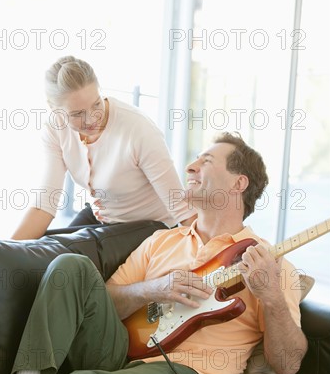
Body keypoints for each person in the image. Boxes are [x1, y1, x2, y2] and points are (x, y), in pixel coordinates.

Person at [0, 132, 308, 374]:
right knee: (71, 265)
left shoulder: (272, 265)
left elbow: (288, 364)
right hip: (123, 352)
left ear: (239, 184)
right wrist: (153, 288)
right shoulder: (162, 240)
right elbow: (106, 298)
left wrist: (272, 297)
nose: (189, 167)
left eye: (205, 161)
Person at [11, 56, 196, 239]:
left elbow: (181, 209)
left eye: (96, 104)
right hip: (102, 218)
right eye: (77, 113)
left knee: (61, 255)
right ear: (53, 108)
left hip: (148, 227)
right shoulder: (55, 128)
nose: (91, 119)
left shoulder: (139, 130)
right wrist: (1, 252)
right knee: (42, 247)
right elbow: (45, 204)